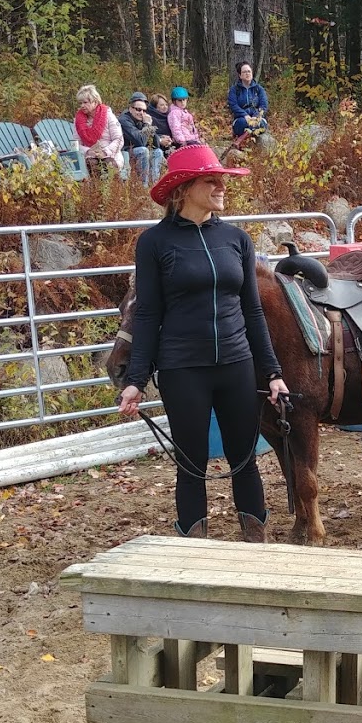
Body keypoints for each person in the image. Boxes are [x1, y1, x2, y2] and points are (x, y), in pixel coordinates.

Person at [116, 145, 290, 542]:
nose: (221, 185)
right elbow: (147, 314)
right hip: (182, 369)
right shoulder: (154, 243)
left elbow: (253, 311)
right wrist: (136, 379)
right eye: (211, 179)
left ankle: (255, 543)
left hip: (236, 364)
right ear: (184, 188)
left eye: (222, 179)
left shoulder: (236, 239)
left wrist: (274, 372)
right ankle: (193, 549)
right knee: (191, 463)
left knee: (245, 458)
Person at [74, 85, 124, 174]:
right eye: (80, 103)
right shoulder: (78, 120)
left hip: (110, 154)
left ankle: (115, 187)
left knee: (108, 164)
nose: (82, 106)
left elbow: (119, 139)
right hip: (89, 156)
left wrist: (105, 152)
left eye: (85, 102)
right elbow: (76, 144)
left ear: (95, 102)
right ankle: (95, 188)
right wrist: (88, 151)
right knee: (92, 163)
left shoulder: (108, 115)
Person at [119, 91, 165, 183]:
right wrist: (147, 124)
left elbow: (155, 144)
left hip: (138, 150)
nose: (142, 113)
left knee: (158, 152)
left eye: (144, 110)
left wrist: (150, 128)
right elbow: (140, 141)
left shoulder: (141, 120)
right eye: (138, 109)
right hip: (125, 152)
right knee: (143, 150)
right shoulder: (124, 120)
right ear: (130, 108)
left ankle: (154, 184)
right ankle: (144, 185)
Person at [227, 62, 270, 142]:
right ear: (240, 75)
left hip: (257, 118)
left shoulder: (259, 89)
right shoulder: (234, 90)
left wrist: (256, 116)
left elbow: (264, 105)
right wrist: (245, 115)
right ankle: (247, 136)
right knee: (242, 124)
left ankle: (242, 139)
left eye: (249, 71)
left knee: (260, 123)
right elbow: (233, 105)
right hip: (241, 119)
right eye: (244, 72)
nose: (247, 73)